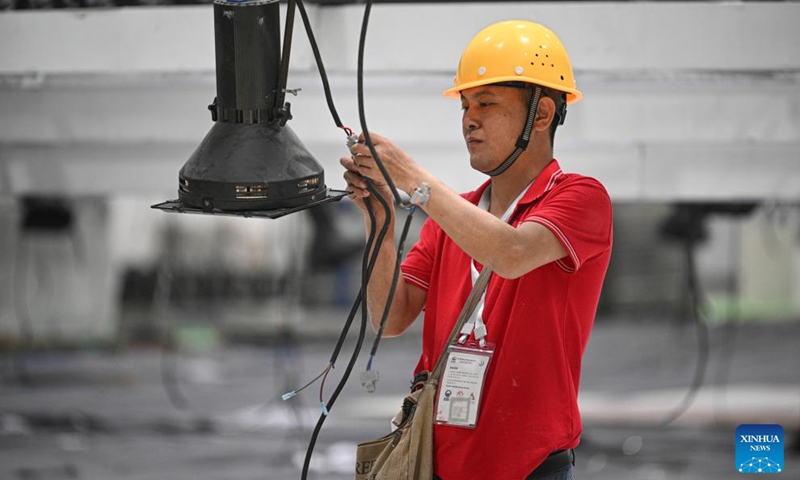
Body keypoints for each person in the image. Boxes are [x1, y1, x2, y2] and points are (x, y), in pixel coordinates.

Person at [341, 20, 612, 480]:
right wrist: (379, 218)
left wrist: (411, 178)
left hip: (530, 468)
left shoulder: (581, 198)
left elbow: (511, 253)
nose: (469, 118)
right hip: (438, 462)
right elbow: (390, 317)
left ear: (541, 114)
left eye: (487, 103)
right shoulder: (454, 216)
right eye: (465, 105)